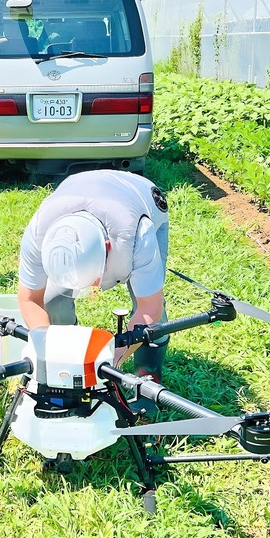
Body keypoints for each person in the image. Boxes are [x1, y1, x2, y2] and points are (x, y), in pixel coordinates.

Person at [17, 170, 171, 403]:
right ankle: (68, 349)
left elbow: (149, 308)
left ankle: (147, 372)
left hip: (140, 198)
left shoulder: (138, 234)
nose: (90, 289)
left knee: (155, 314)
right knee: (52, 301)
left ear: (108, 249)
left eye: (93, 280)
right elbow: (29, 299)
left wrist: (110, 360)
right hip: (80, 190)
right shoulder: (38, 233)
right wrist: (48, 351)